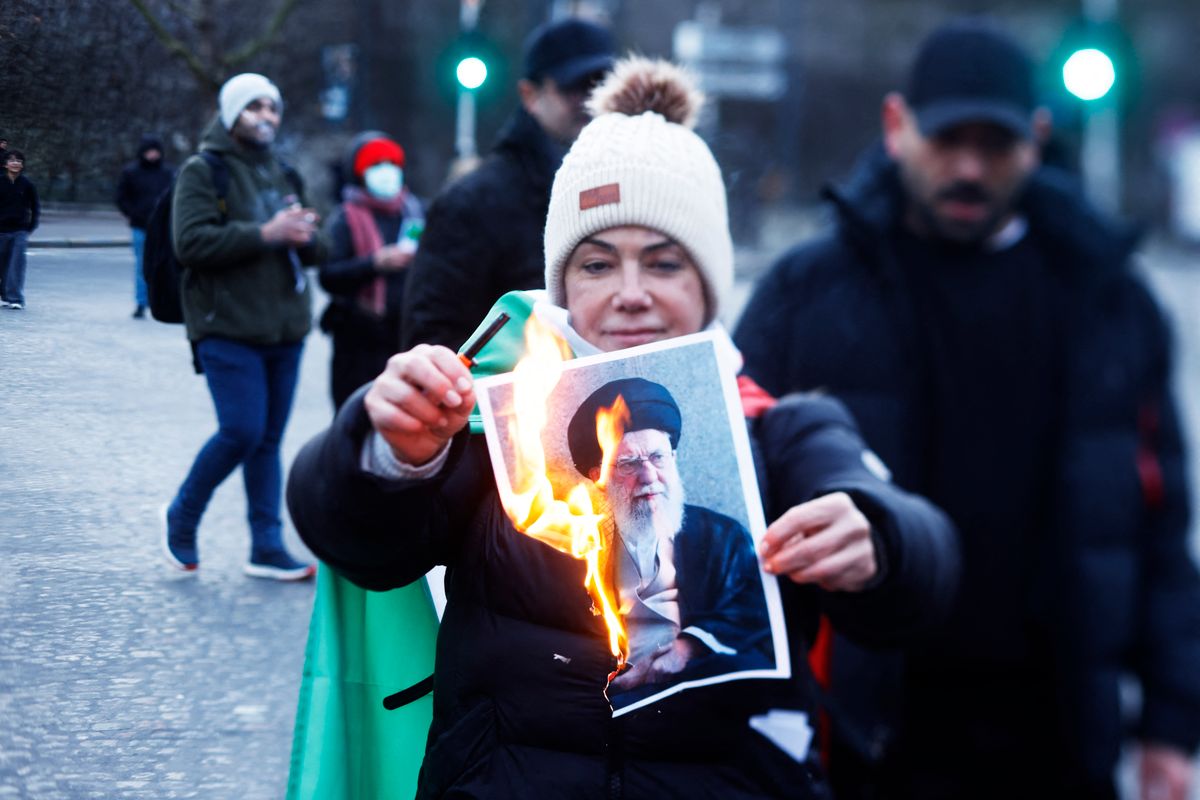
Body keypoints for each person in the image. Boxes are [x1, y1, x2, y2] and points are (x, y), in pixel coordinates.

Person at [288, 57, 959, 798]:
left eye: (665, 264)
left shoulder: (779, 432)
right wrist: (385, 450)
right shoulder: (495, 437)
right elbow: (355, 542)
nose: (630, 295)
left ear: (709, 283)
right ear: (562, 285)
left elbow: (920, 564)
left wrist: (879, 538)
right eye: (598, 264)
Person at [734, 18, 1200, 800]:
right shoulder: (809, 290)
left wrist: (1171, 727)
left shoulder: (1107, 299)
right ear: (896, 126)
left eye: (996, 145)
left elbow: (1156, 526)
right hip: (863, 728)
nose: (970, 168)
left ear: (1039, 139)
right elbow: (733, 485)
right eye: (949, 141)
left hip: (1055, 724)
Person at [161, 72, 325, 581]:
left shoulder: (283, 172)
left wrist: (305, 235)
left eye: (273, 108)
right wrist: (266, 232)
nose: (267, 117)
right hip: (226, 327)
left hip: (284, 329)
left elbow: (315, 253)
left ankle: (266, 546)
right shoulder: (203, 170)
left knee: (269, 440)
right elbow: (190, 244)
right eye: (254, 107)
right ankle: (183, 514)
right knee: (242, 430)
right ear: (232, 114)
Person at [399, 16, 616, 351]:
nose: (590, 100)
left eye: (602, 85)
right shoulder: (472, 202)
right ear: (530, 95)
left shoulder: (628, 192)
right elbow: (432, 340)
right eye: (573, 87)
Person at [566, 377, 773, 699]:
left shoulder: (724, 537)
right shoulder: (582, 548)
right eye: (628, 463)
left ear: (673, 458)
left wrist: (689, 647)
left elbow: (754, 612)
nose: (648, 477)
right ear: (599, 478)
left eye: (657, 457)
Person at [319, 131, 425, 410]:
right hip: (357, 341)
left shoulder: (414, 212)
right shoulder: (344, 218)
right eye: (375, 165)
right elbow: (329, 275)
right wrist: (374, 263)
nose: (386, 171)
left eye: (391, 163)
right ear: (359, 172)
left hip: (403, 336)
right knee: (355, 418)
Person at [116, 134, 174, 319]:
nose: (152, 155)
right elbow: (121, 197)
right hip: (140, 225)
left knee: (164, 264)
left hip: (164, 227)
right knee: (142, 265)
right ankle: (141, 302)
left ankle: (161, 301)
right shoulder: (131, 172)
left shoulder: (168, 172)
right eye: (149, 151)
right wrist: (132, 213)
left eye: (155, 151)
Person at [0, 149, 39, 311]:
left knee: (16, 265)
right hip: (1, 230)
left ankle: (15, 297)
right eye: (12, 160)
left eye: (19, 161)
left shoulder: (27, 184)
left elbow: (35, 207)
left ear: (22, 165)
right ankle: (4, 293)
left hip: (20, 231)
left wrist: (30, 226)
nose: (15, 163)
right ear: (5, 164)